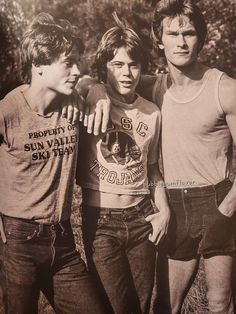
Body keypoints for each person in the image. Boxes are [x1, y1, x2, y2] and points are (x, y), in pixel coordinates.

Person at [80, 1, 236, 313]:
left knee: (220, 303)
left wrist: (228, 206)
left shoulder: (226, 88)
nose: (181, 41)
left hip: (216, 201)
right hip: (174, 203)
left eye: (189, 33)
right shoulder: (155, 86)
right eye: (173, 33)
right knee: (165, 305)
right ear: (159, 38)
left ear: (200, 38)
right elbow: (97, 80)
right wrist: (95, 90)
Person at [0, 13, 105, 314]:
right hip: (18, 242)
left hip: (62, 241)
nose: (76, 70)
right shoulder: (8, 111)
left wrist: (90, 91)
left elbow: (93, 84)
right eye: (67, 63)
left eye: (77, 63)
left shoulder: (72, 104)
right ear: (40, 66)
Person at [76, 15, 170, 314]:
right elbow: (71, 85)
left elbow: (152, 168)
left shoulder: (152, 113)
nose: (127, 72)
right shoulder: (91, 103)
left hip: (142, 217)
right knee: (115, 305)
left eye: (133, 64)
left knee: (140, 305)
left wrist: (163, 209)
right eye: (117, 64)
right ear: (105, 67)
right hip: (102, 221)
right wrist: (94, 88)